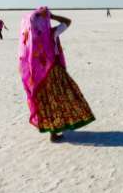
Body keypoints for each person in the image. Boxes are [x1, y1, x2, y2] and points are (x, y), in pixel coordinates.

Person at [18, 7, 95, 142]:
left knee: (47, 102)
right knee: (61, 98)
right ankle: (56, 130)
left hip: (38, 76)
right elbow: (68, 21)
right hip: (54, 72)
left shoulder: (31, 37)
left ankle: (53, 131)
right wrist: (52, 17)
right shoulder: (51, 32)